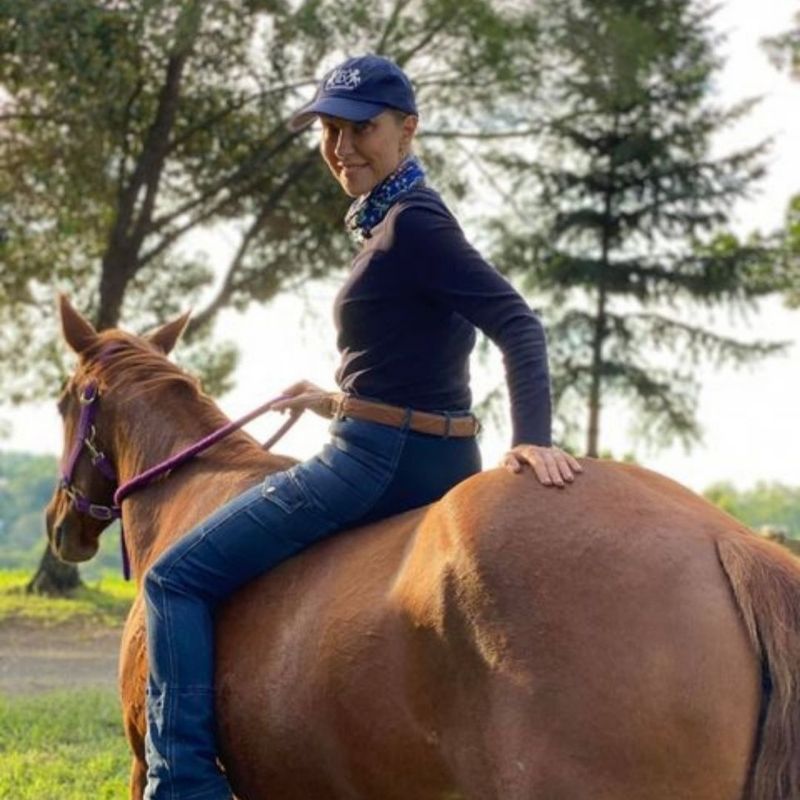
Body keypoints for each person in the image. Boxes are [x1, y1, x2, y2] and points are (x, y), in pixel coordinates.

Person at [142, 53, 582, 800]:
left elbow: (517, 322)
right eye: (328, 130)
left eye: (362, 129)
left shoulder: (413, 225)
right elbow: (416, 365)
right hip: (429, 451)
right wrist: (333, 400)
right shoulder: (399, 220)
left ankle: (181, 780)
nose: (342, 148)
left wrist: (531, 436)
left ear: (408, 129)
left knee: (172, 579)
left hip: (375, 460)